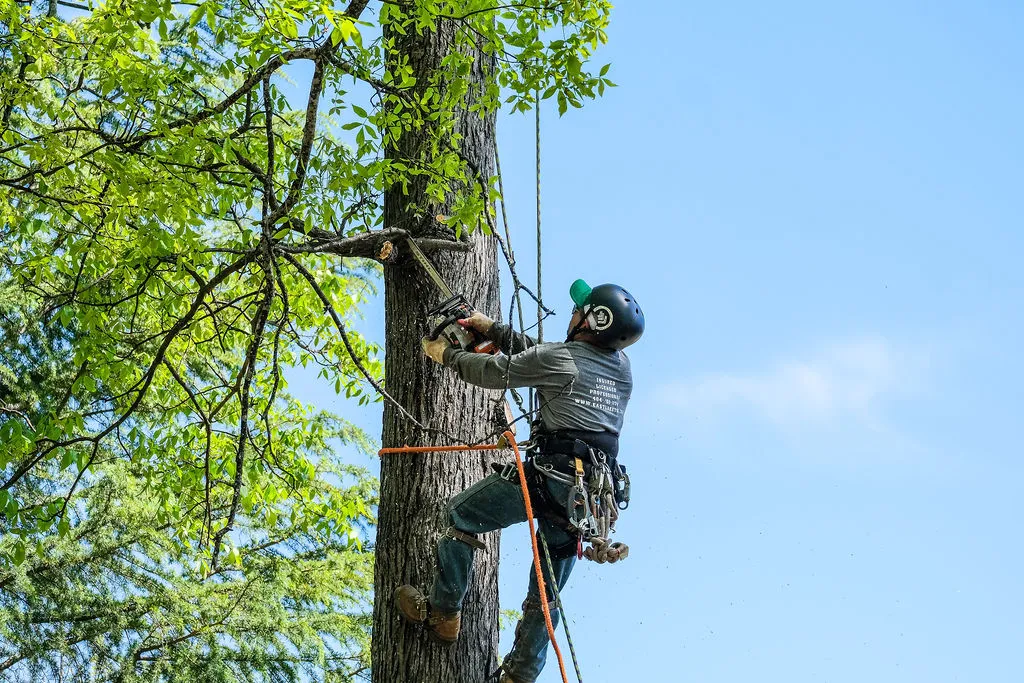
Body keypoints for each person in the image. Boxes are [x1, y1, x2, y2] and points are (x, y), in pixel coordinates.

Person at [394, 278, 644, 683]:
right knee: (547, 591)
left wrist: (449, 356)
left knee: (460, 515)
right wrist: (493, 329)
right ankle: (523, 674)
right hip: (589, 499)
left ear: (591, 322)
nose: (573, 314)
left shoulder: (561, 359)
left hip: (554, 478)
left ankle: (442, 613)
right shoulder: (621, 370)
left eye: (579, 311)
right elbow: (541, 355)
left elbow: (497, 371)